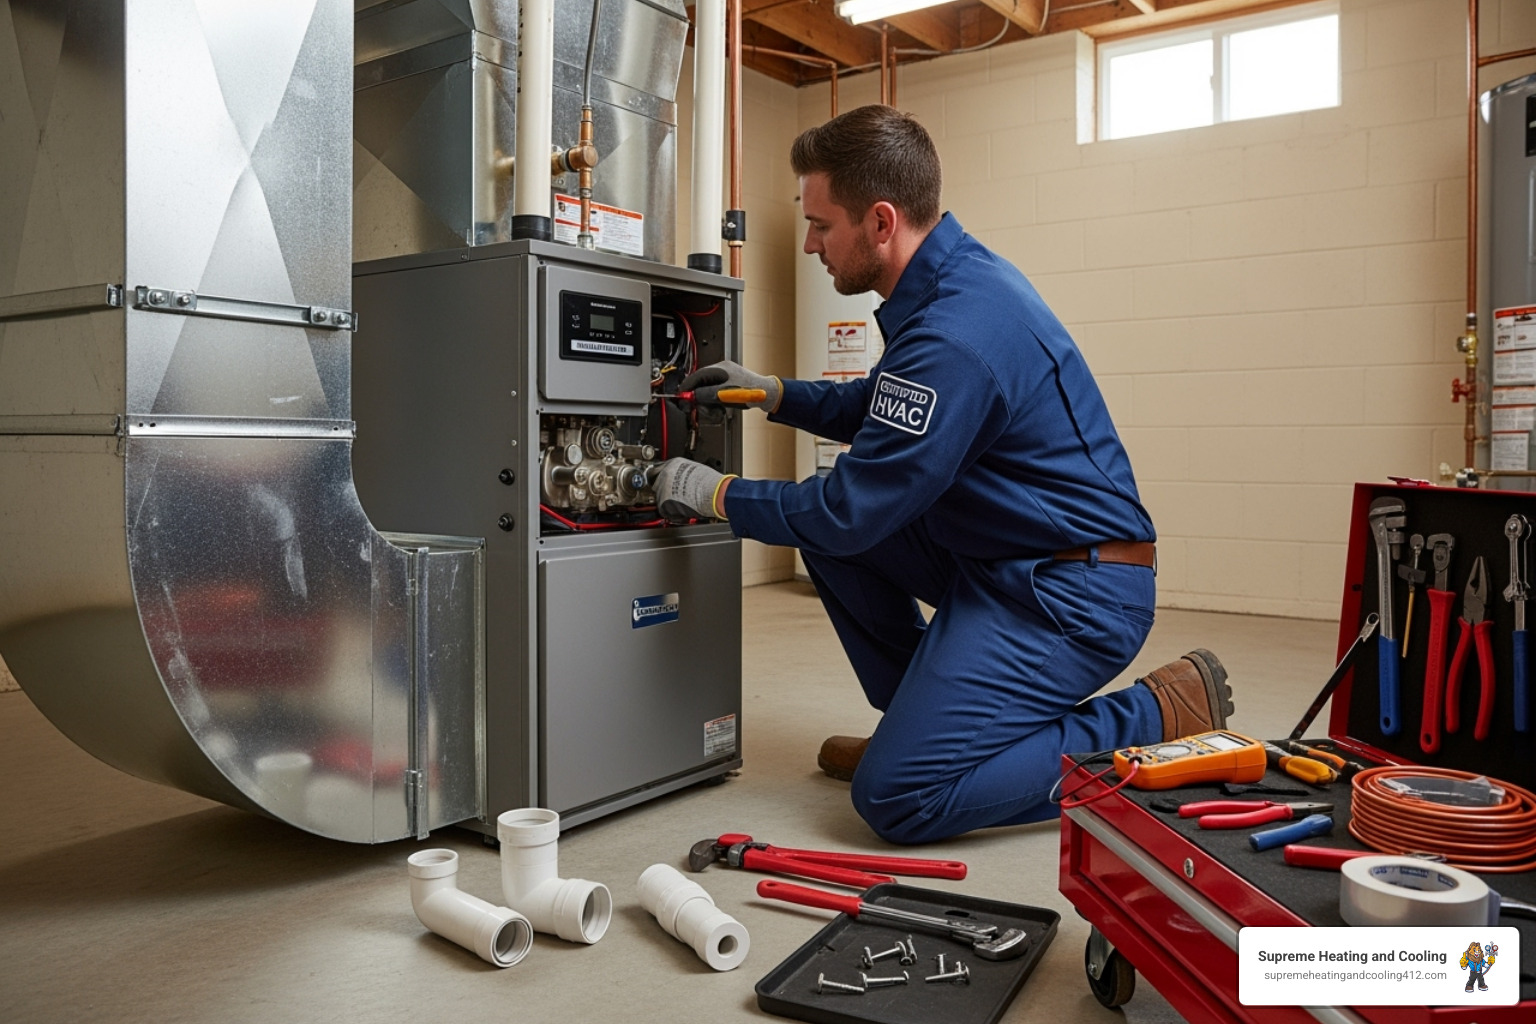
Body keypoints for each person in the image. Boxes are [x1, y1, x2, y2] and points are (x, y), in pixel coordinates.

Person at [653, 105, 1233, 845]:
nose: (809, 244)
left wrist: (715, 494)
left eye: (822, 225)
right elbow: (884, 408)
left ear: (882, 221)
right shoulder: (946, 283)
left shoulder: (958, 331)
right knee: (836, 543)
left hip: (1072, 594)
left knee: (900, 797)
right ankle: (928, 729)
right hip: (1006, 558)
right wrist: (775, 393)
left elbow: (847, 510)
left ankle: (1152, 716)